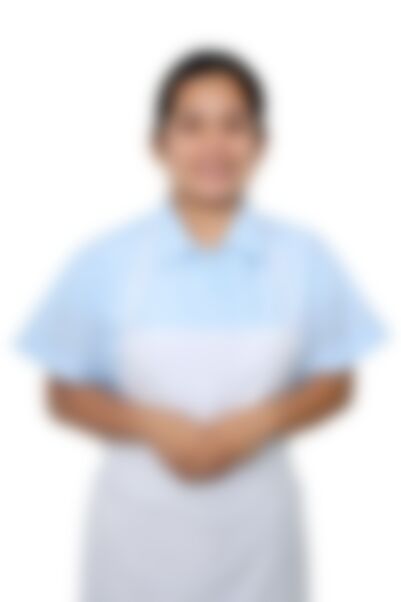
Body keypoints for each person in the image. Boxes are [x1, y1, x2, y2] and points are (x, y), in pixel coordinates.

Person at [19, 50, 383, 602]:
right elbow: (63, 391)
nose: (214, 146)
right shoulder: (105, 260)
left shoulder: (304, 256)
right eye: (192, 126)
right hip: (137, 534)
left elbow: (337, 381)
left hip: (258, 533)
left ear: (260, 142)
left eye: (233, 125)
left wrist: (258, 421)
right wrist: (152, 424)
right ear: (159, 143)